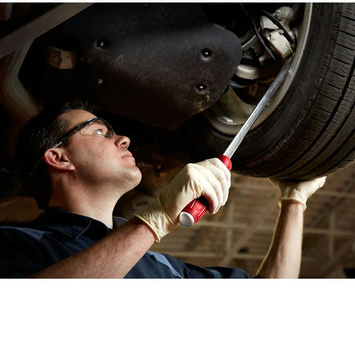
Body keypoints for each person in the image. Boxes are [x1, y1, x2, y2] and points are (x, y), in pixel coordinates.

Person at [0, 100, 326, 278]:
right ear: (58, 157)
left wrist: (294, 199)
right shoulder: (15, 243)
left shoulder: (163, 268)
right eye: (98, 132)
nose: (123, 139)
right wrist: (154, 221)